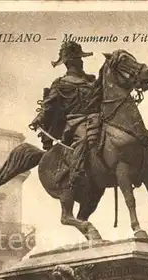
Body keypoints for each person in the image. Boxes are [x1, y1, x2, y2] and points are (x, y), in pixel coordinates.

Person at [29, 41, 103, 193]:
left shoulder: (91, 81)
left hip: (95, 119)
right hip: (75, 123)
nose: (82, 61)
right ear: (71, 62)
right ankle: (76, 172)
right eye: (79, 59)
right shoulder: (60, 84)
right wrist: (39, 117)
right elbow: (48, 105)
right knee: (83, 139)